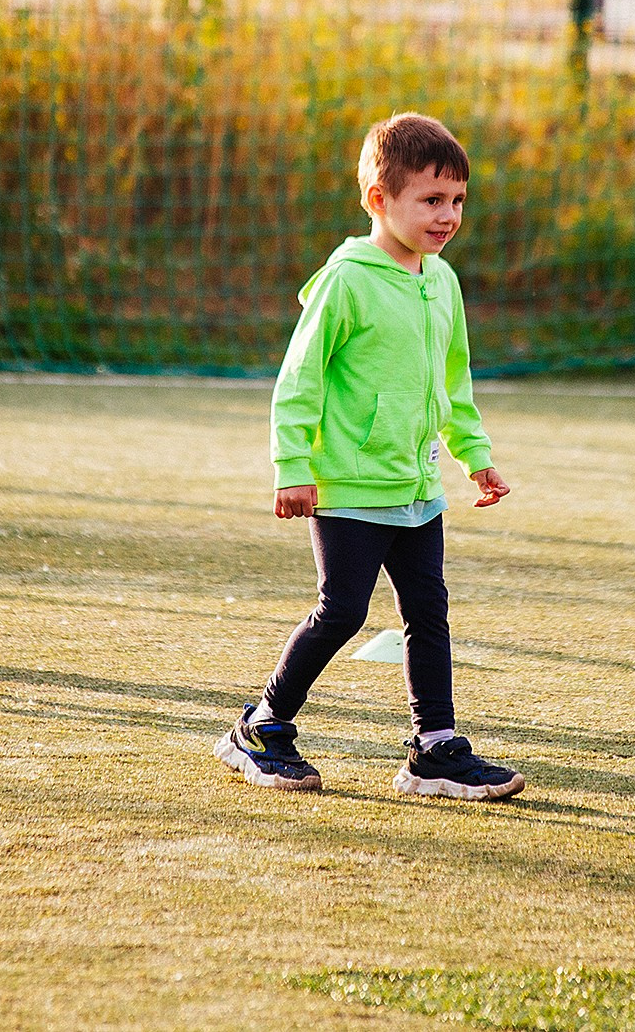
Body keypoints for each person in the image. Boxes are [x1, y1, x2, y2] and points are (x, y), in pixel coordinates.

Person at [216, 112, 523, 800]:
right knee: (343, 610)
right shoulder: (346, 279)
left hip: (417, 486)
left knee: (428, 611)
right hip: (350, 484)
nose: (448, 215)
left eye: (458, 200)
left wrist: (475, 455)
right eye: (432, 199)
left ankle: (435, 750)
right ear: (379, 200)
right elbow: (300, 379)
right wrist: (293, 467)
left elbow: (454, 382)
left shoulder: (442, 282)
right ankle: (261, 726)